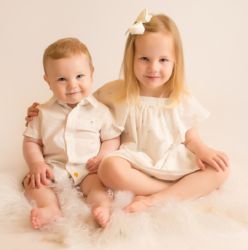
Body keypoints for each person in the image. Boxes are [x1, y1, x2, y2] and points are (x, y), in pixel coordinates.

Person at [26, 9, 229, 214]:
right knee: (108, 168)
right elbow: (78, 106)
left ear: (176, 61)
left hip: (170, 159)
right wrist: (41, 111)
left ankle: (155, 198)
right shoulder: (116, 91)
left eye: (163, 60)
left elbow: (191, 137)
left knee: (221, 169)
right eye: (144, 59)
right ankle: (177, 191)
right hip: (132, 163)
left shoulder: (180, 97)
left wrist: (204, 150)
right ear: (131, 58)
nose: (153, 68)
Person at [23, 37, 121, 229]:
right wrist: (37, 164)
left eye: (79, 76)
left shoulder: (100, 110)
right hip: (54, 168)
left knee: (98, 187)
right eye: (61, 79)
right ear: (48, 81)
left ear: (92, 74)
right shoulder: (42, 112)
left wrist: (102, 156)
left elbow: (112, 138)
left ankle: (102, 206)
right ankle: (49, 207)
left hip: (88, 169)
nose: (72, 85)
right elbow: (31, 141)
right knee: (33, 183)